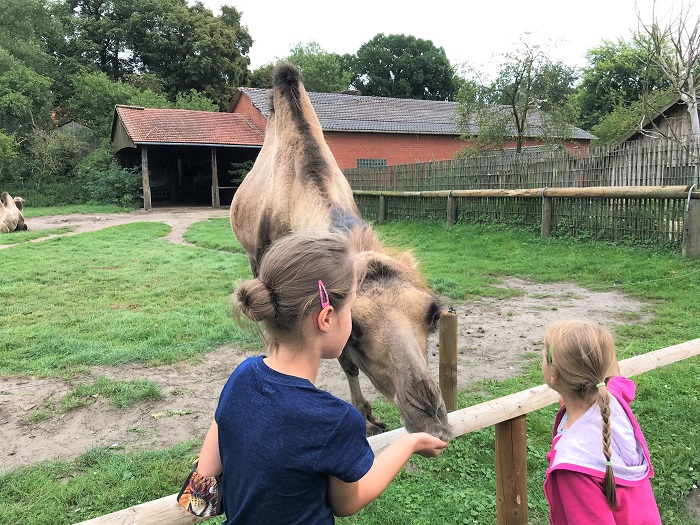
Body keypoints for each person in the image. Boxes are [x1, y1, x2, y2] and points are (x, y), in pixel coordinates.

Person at [195, 231, 448, 524]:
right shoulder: (336, 420)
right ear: (326, 319)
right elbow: (347, 502)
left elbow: (202, 490)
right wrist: (409, 444)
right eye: (352, 310)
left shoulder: (240, 376)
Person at [541, 319, 662, 524]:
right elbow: (618, 380)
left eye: (544, 355)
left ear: (553, 373)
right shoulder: (613, 398)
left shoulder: (573, 466)